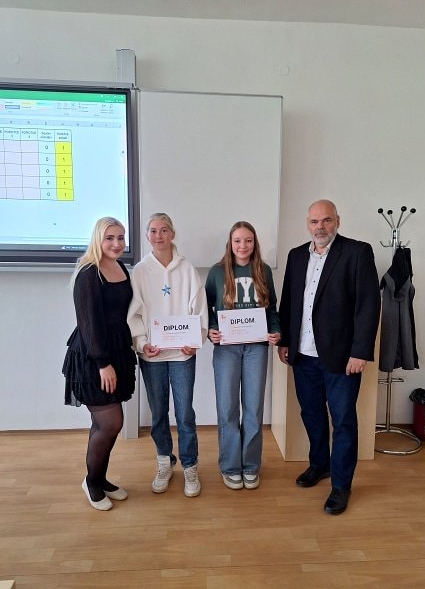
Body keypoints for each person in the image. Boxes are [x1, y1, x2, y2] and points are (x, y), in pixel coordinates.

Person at [278, 200, 380, 515]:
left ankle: (341, 485)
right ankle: (319, 464)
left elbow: (368, 305)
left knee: (343, 420)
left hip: (342, 358)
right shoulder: (296, 256)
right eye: (314, 222)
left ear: (337, 221)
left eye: (326, 220)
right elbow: (289, 302)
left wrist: (360, 351)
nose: (320, 227)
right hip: (303, 355)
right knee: (311, 414)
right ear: (307, 224)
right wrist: (285, 341)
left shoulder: (357, 252)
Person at [127, 213, 207, 498]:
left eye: (163, 230)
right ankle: (164, 461)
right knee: (159, 412)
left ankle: (190, 465)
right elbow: (133, 313)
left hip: (182, 356)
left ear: (172, 234)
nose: (158, 236)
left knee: (185, 413)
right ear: (147, 235)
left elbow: (199, 308)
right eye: (153, 231)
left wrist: (194, 341)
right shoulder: (139, 271)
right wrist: (142, 343)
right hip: (153, 356)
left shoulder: (187, 269)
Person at [62, 217, 137, 511]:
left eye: (121, 237)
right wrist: (103, 364)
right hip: (94, 357)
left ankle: (101, 478)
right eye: (110, 238)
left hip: (117, 351)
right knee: (111, 422)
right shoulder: (88, 273)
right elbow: (89, 323)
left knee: (105, 424)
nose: (117, 244)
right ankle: (91, 482)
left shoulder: (120, 268)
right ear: (98, 239)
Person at [206, 221, 281, 490]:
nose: (243, 245)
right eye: (237, 240)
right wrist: (211, 330)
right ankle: (229, 466)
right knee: (227, 408)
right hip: (226, 348)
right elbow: (206, 308)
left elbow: (272, 308)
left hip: (256, 348)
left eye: (248, 240)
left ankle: (250, 465)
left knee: (253, 408)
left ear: (254, 243)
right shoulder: (217, 272)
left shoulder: (263, 270)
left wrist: (275, 331)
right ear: (230, 243)